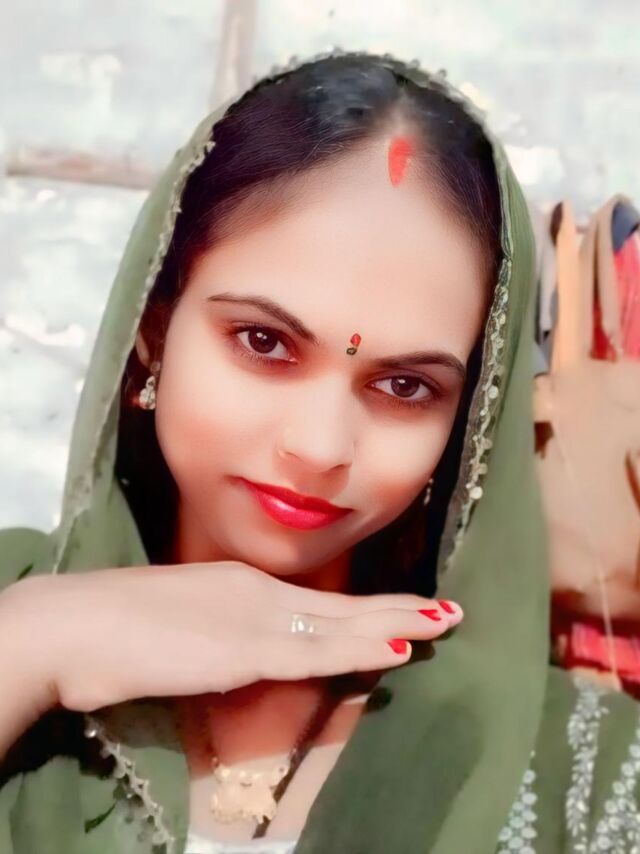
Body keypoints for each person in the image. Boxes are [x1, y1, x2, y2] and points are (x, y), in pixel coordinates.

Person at [0, 48, 639, 854]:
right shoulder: (16, 607)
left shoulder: (587, 774)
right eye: (263, 342)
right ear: (156, 330)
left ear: (472, 419)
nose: (319, 445)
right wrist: (33, 646)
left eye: (405, 386)